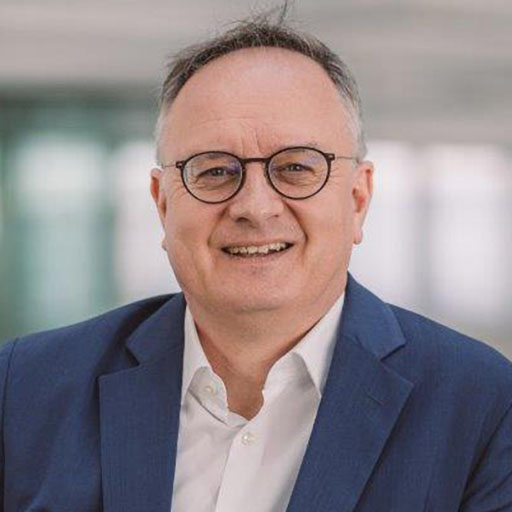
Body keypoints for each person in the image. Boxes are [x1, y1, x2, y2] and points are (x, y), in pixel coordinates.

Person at [1, 8, 511, 512]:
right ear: (163, 204)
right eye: (215, 171)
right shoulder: (21, 391)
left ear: (358, 199)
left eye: (296, 168)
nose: (254, 206)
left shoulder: (485, 407)